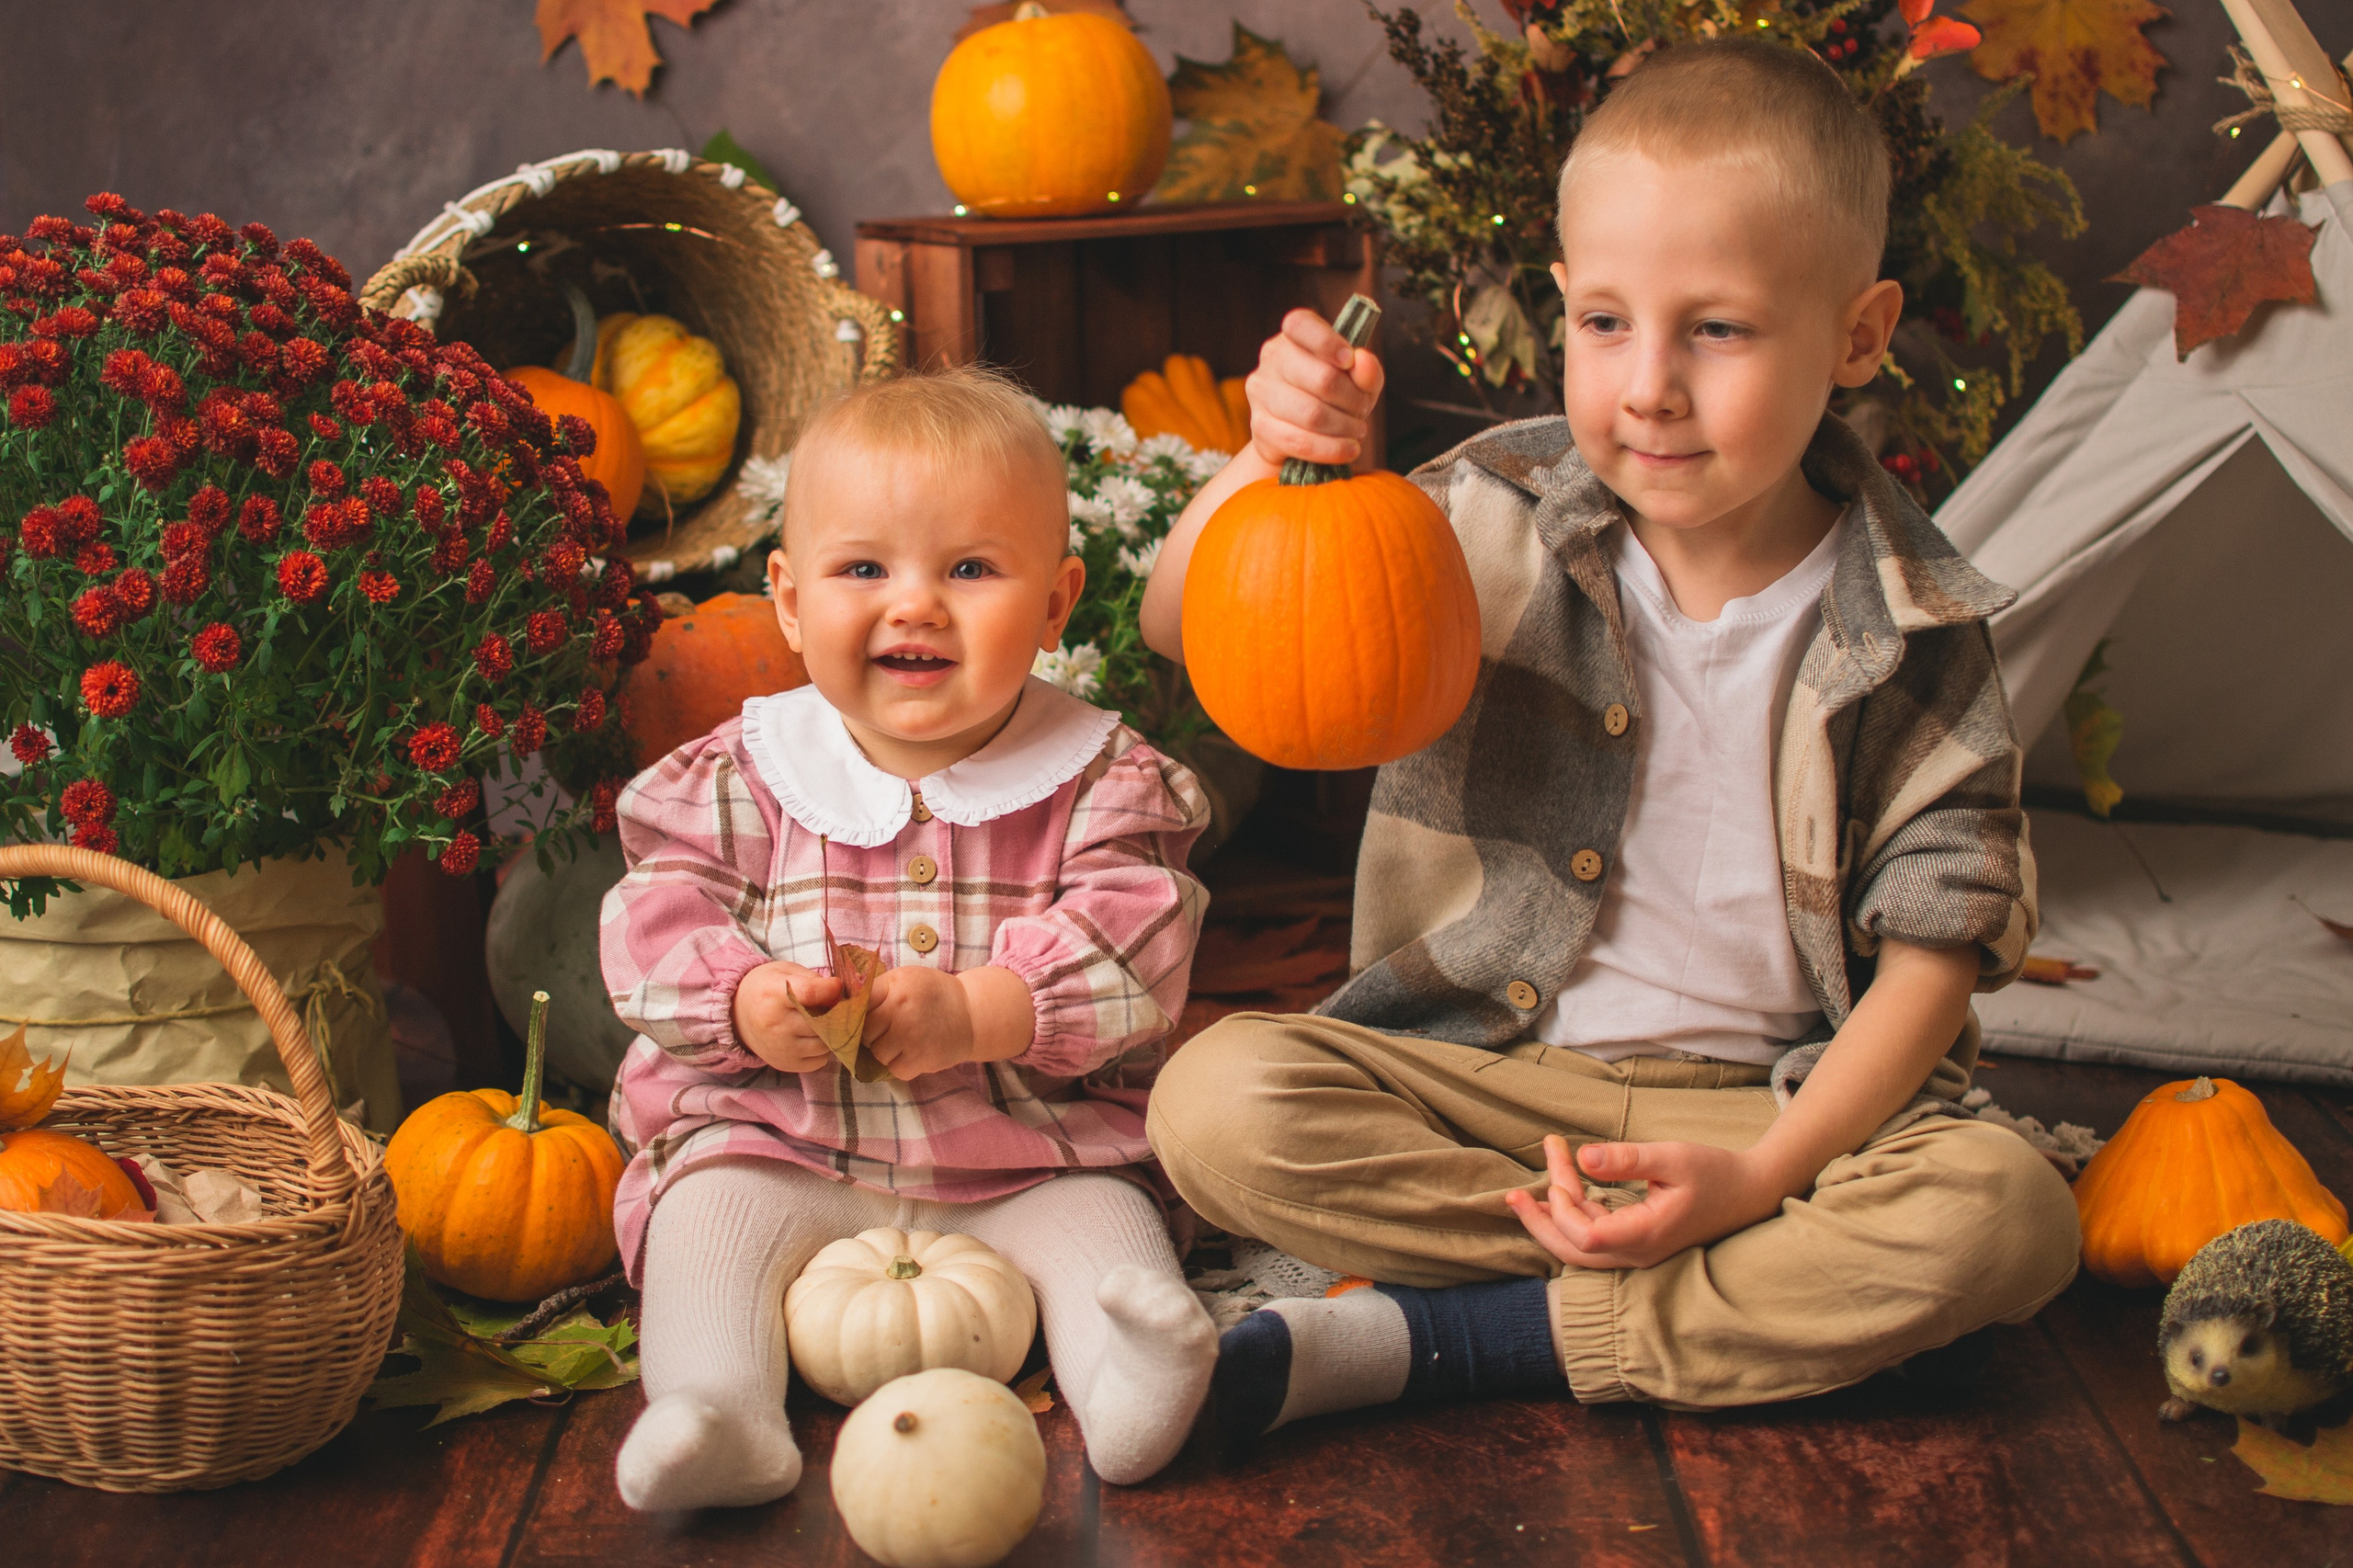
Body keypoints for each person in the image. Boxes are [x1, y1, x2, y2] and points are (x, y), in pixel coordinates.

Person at [1136, 38, 2079, 1441]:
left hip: (1773, 1113)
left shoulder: (1917, 622)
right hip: (1485, 1081)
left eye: (1719, 329)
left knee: (2006, 1216)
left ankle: (1462, 1334)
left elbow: (1937, 954)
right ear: (1562, 309)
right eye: (1607, 324)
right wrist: (1272, 462)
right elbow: (1176, 624)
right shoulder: (1477, 516)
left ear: (1859, 335)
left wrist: (1767, 1175)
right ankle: (1715, 1301)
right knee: (1213, 1101)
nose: (1648, 385)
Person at [602, 365, 1217, 1510]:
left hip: (1028, 1150)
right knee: (706, 1214)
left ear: (1055, 600)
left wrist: (986, 1011)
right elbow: (654, 919)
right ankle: (717, 1407)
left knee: (1108, 1227)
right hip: (783, 1137)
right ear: (787, 598)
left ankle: (1132, 1382)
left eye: (971, 568)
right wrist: (747, 1001)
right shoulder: (743, 774)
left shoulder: (1100, 778)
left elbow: (1139, 938)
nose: (916, 603)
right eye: (864, 568)